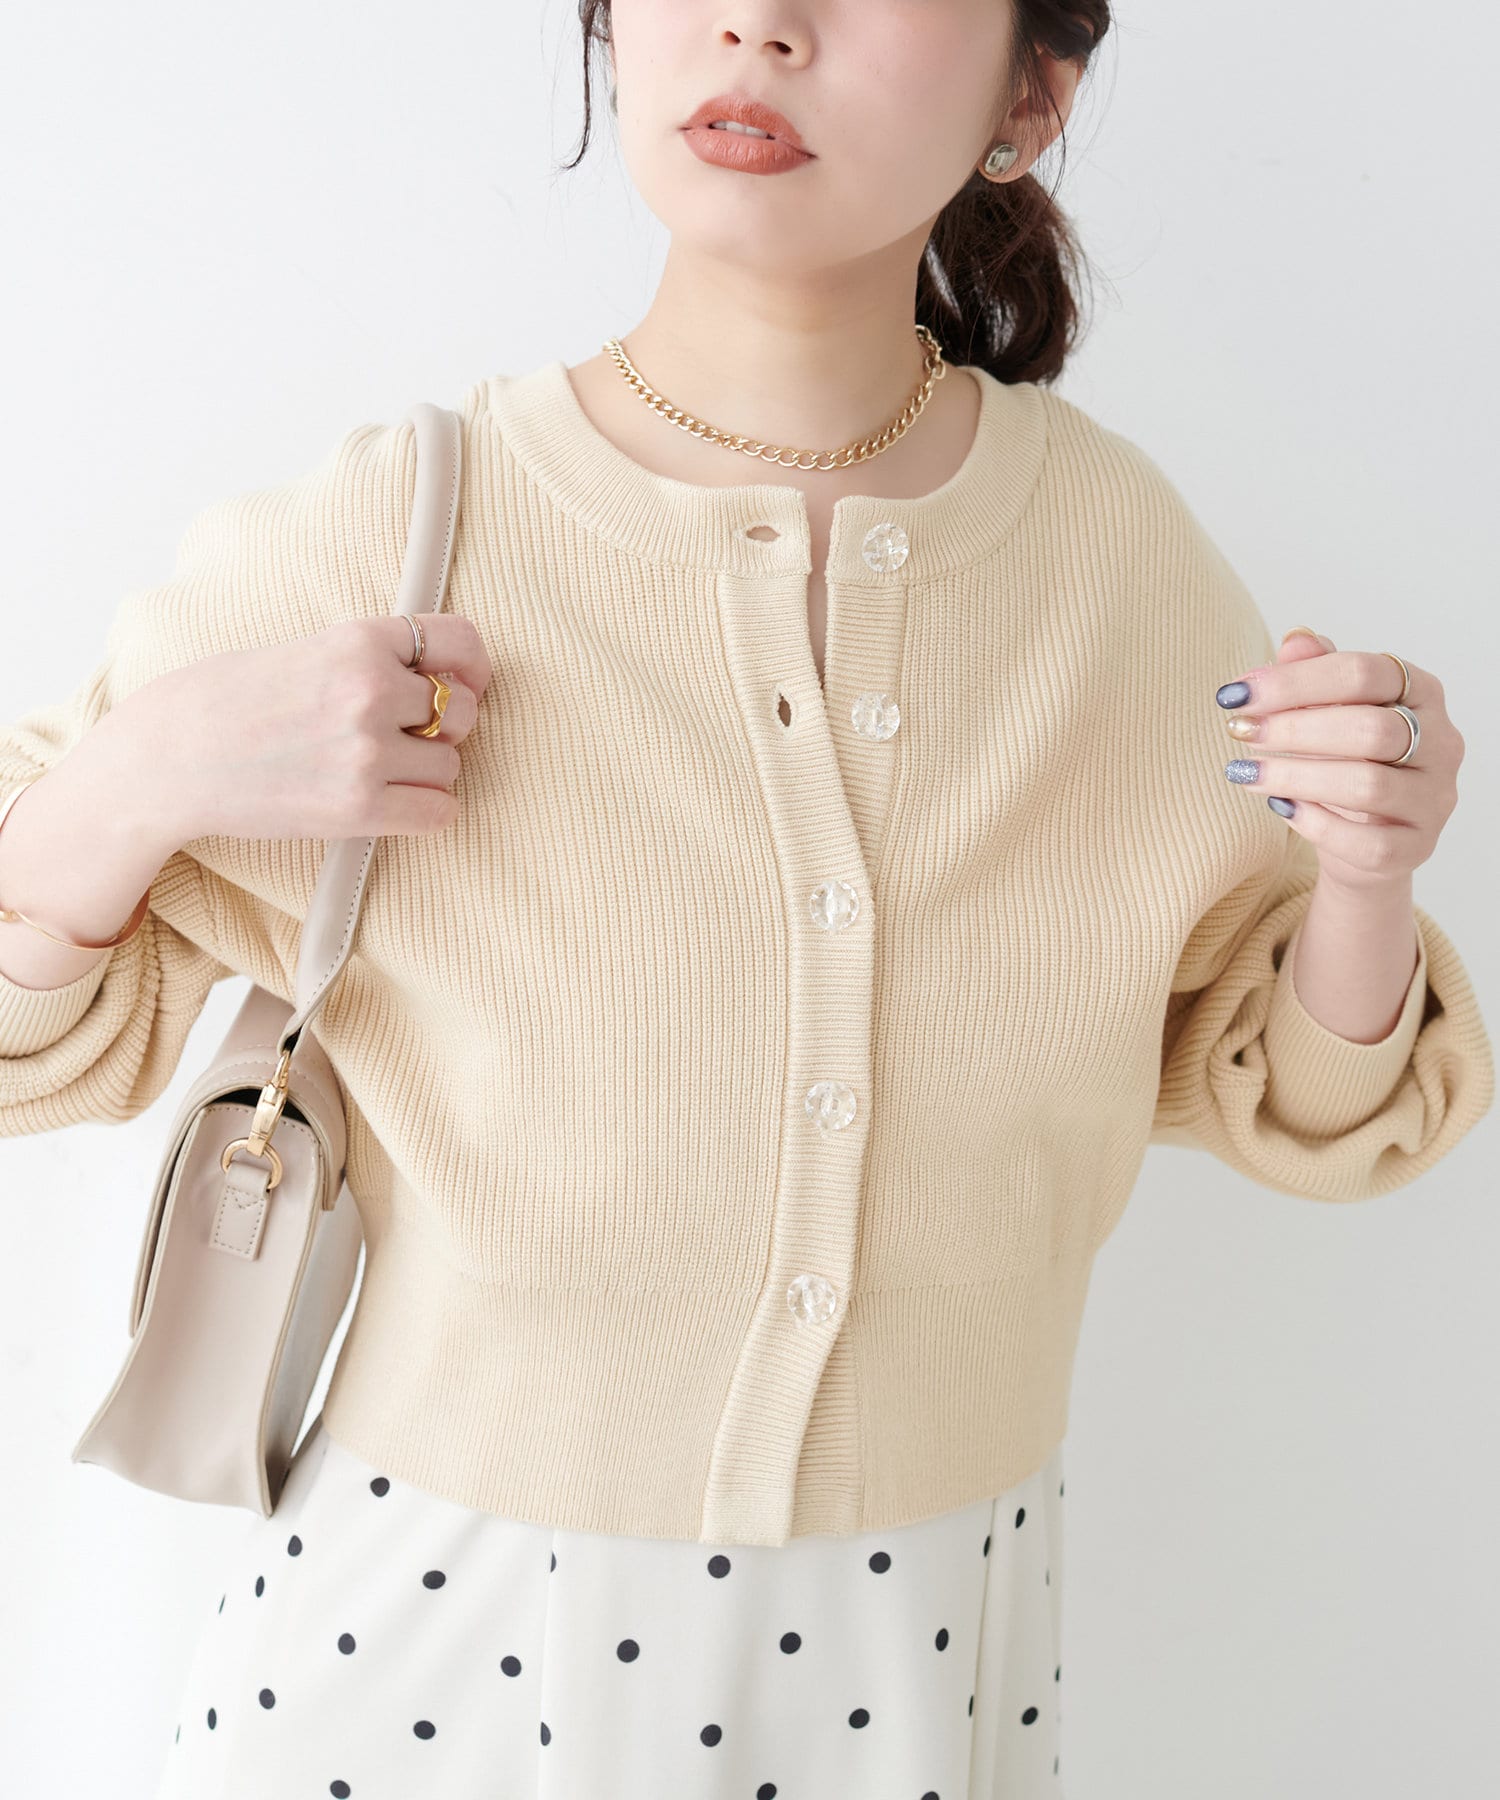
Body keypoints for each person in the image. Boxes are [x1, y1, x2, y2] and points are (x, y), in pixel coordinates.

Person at [1, 4, 1492, 1797]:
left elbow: (1312, 1107)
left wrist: (1368, 872)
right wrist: (138, 775)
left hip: (915, 1653)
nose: (759, 24)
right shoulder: (398, 530)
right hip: (425, 1660)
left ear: (1033, 93)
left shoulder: (1121, 568)